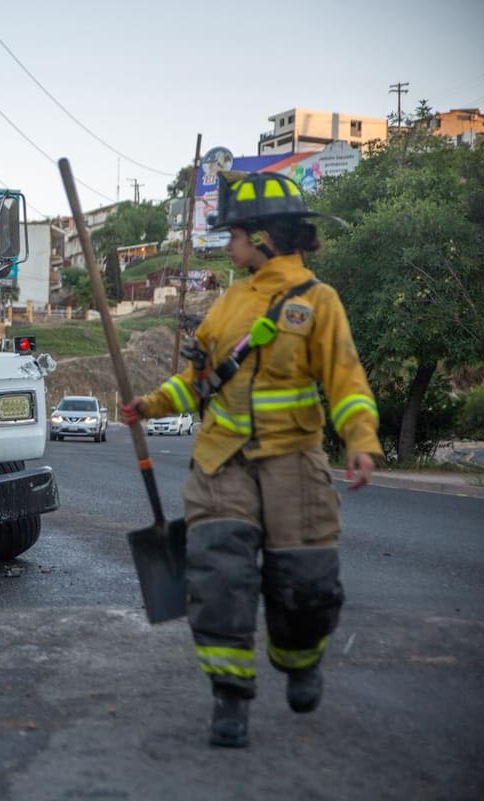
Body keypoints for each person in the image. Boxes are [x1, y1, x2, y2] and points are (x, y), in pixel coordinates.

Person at [121, 171, 382, 748]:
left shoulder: (318, 303)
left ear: (263, 237)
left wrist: (360, 440)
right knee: (219, 580)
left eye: (235, 233)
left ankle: (299, 659)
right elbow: (197, 382)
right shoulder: (228, 306)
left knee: (306, 591)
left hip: (295, 464)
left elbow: (346, 380)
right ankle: (229, 698)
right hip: (222, 467)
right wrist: (151, 403)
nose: (228, 242)